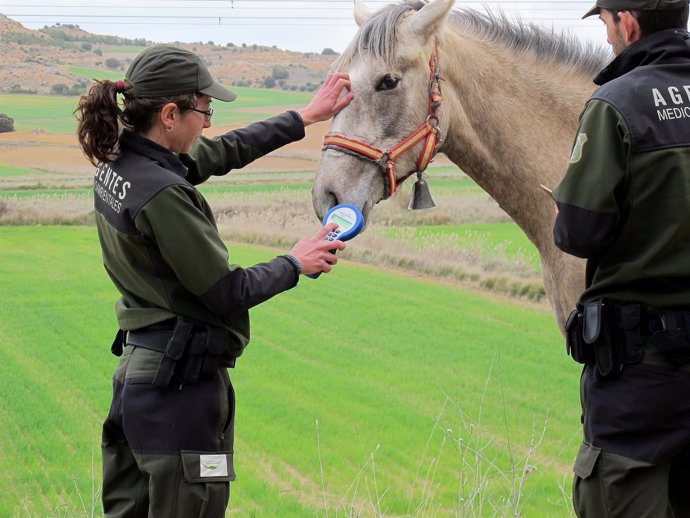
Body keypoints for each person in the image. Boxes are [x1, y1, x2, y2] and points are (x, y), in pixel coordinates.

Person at [74, 44, 353, 517]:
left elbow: (226, 151)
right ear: (168, 114)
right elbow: (225, 291)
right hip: (179, 393)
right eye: (203, 110)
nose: (207, 123)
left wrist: (304, 116)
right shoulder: (162, 193)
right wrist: (295, 261)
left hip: (139, 382)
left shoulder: (123, 164)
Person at [552, 0, 690, 516]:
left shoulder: (616, 104)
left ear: (627, 22)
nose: (608, 38)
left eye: (607, 23)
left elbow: (579, 231)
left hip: (642, 382)